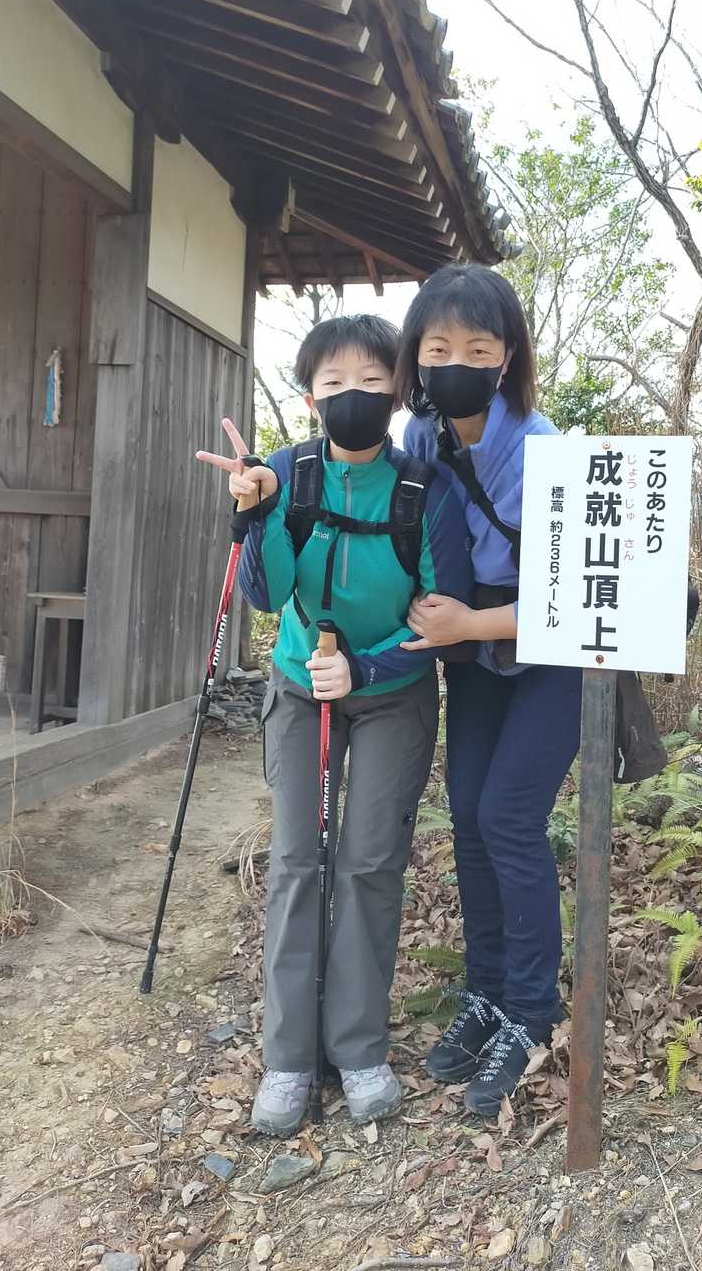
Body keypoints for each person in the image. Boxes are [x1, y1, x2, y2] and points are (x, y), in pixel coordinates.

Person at [196, 313, 471, 1137]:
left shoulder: (426, 488)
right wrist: (256, 512)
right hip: (298, 685)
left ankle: (358, 1048)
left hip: (392, 691)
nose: (355, 394)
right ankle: (287, 1058)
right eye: (334, 382)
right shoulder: (285, 472)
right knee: (295, 862)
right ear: (310, 396)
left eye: (373, 380)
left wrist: (368, 666)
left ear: (398, 392)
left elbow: (442, 614)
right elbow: (265, 594)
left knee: (369, 862)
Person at [393, 263, 583, 1118]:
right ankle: (487, 991)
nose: (457, 363)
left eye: (478, 347)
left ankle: (532, 1012)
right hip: (474, 655)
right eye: (438, 348)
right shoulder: (420, 436)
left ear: (507, 357)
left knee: (508, 815)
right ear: (416, 357)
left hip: (549, 651)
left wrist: (470, 623)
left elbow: (575, 596)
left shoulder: (544, 448)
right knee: (467, 814)